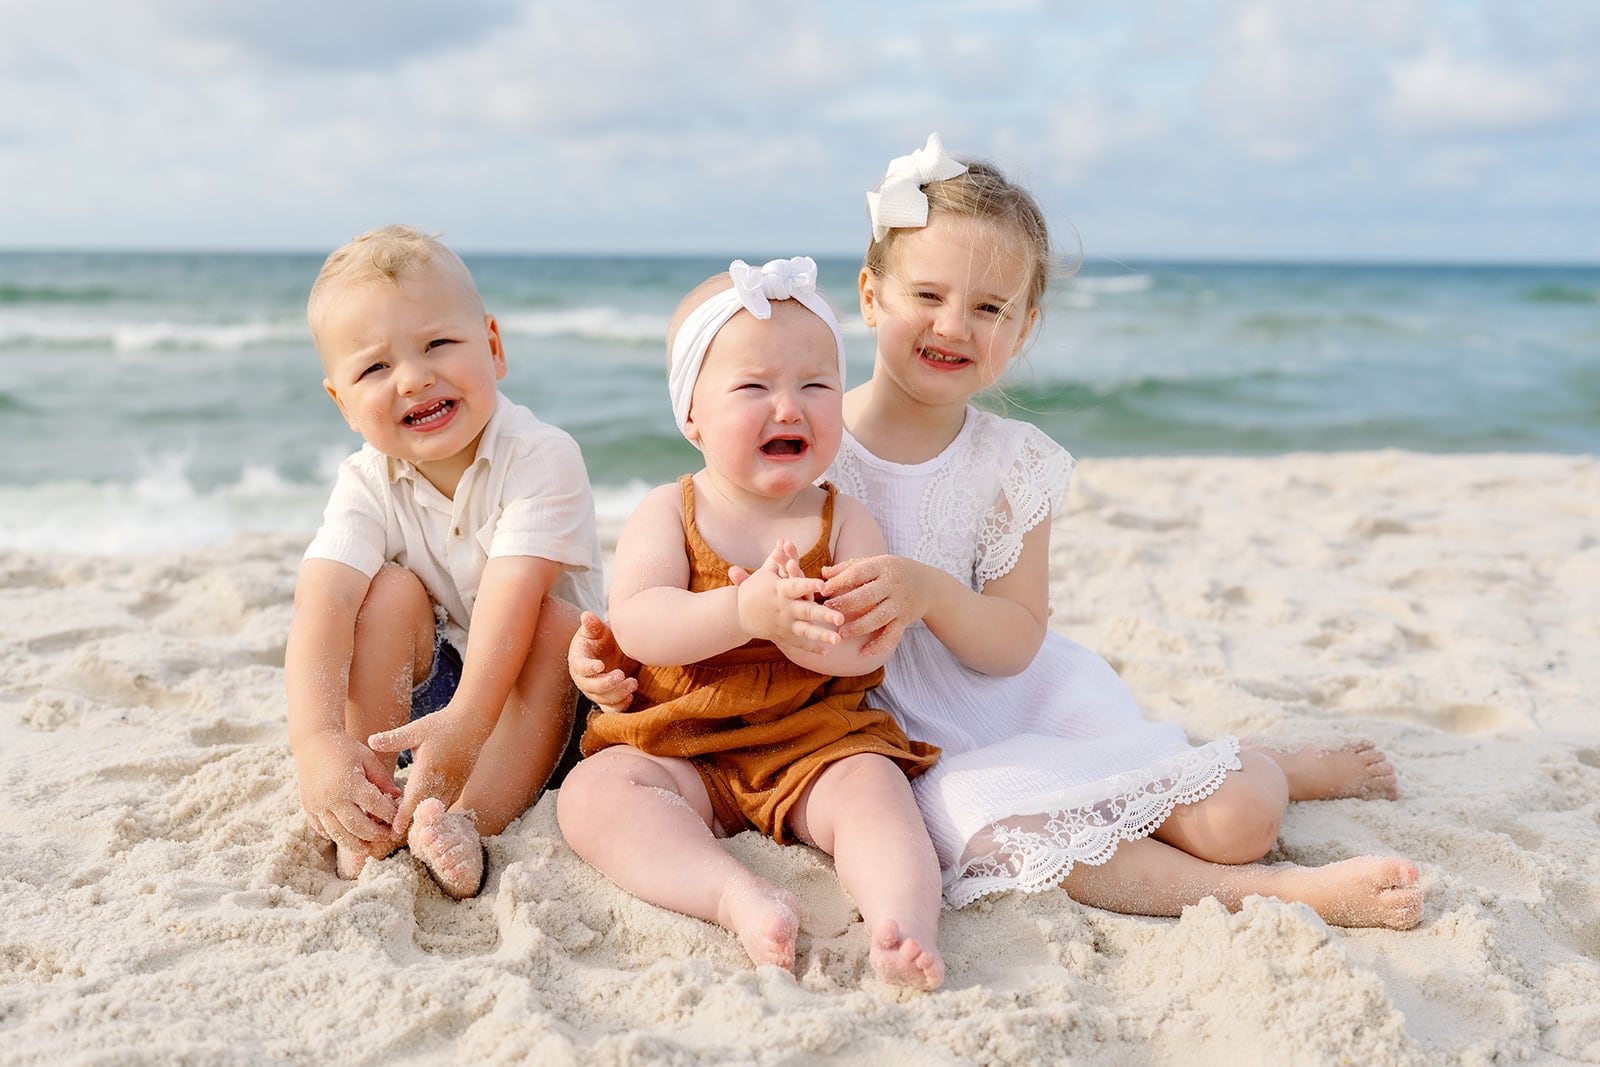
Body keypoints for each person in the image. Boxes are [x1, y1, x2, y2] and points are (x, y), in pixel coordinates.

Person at [571, 136, 1424, 930]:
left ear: (1024, 329)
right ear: (871, 298)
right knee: (1000, 836)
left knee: (1238, 815)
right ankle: (1277, 893)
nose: (953, 326)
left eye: (989, 307)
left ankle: (1271, 761)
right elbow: (707, 583)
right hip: (893, 729)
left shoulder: (1013, 466)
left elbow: (1016, 638)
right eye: (929, 296)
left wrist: (931, 592)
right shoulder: (805, 451)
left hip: (1008, 692)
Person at [555, 257, 946, 989]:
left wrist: (826, 634)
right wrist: (742, 611)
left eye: (815, 385)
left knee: (877, 791)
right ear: (692, 415)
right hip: (682, 743)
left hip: (811, 743)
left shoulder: (844, 517)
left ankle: (902, 922)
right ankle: (732, 893)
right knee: (595, 795)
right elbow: (639, 620)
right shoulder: (668, 511)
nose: (790, 407)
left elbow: (869, 648)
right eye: (754, 387)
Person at [287, 224, 605, 900]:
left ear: (492, 346)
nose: (413, 376)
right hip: (439, 704)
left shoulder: (541, 455)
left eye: (438, 344)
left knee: (556, 621)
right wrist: (315, 740)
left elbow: (513, 598)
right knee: (388, 591)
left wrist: (468, 724)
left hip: (554, 705)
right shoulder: (367, 478)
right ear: (342, 402)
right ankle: (370, 805)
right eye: (375, 367)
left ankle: (465, 819)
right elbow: (324, 595)